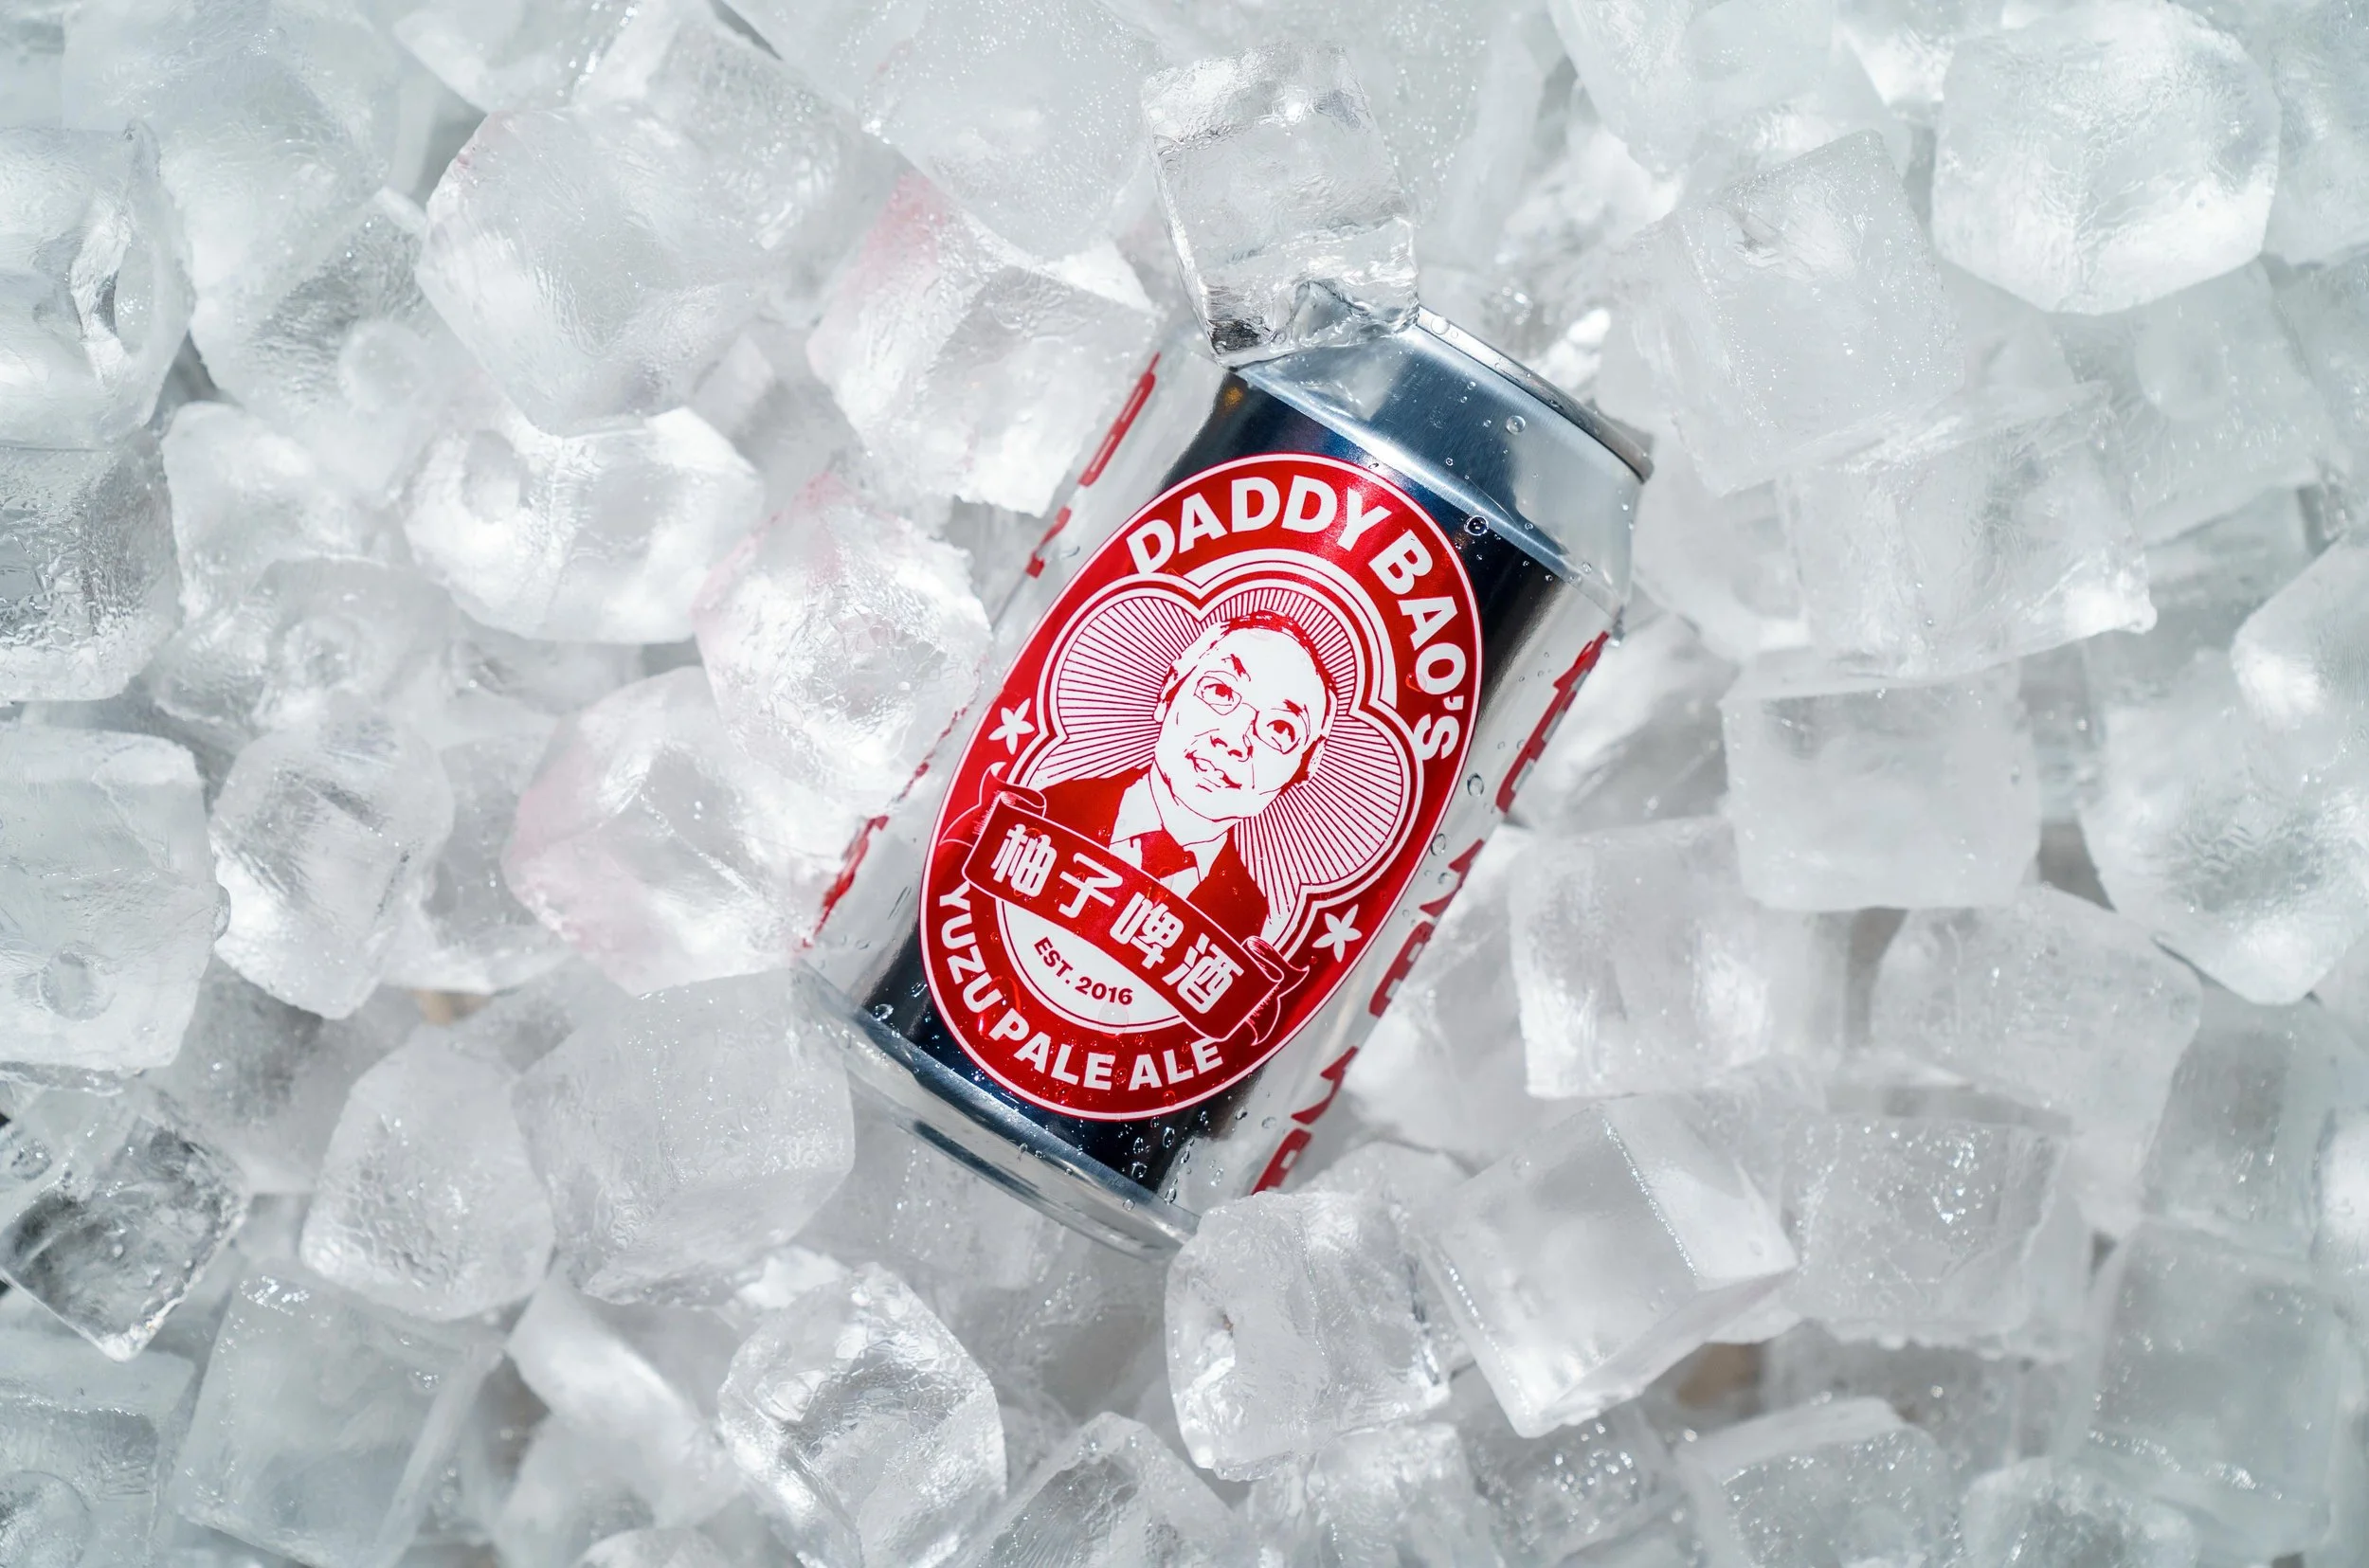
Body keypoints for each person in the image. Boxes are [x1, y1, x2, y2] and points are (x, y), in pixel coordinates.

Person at [1036, 610, 1332, 940]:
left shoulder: (1248, 917)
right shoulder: (1049, 808)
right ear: (1170, 689)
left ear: (1307, 765)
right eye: (1220, 691)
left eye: (1279, 728)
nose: (1234, 739)